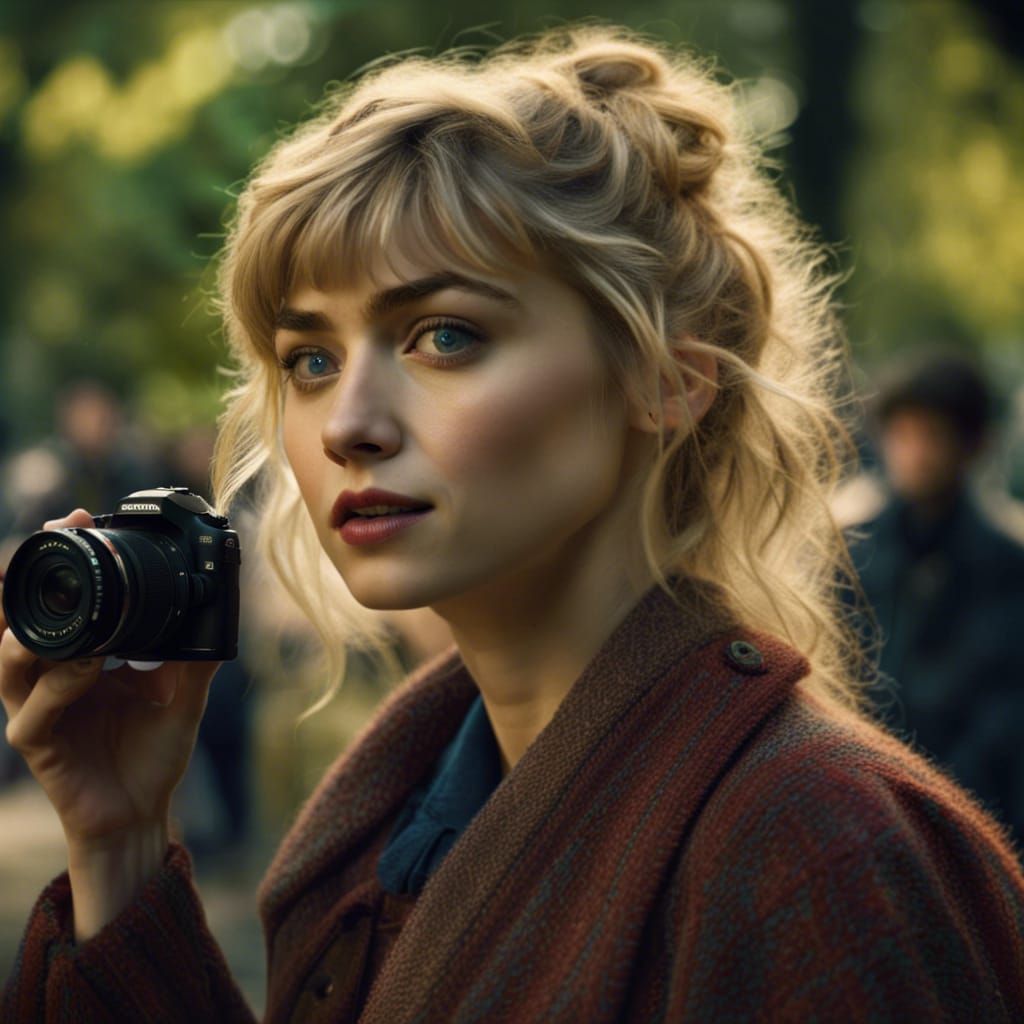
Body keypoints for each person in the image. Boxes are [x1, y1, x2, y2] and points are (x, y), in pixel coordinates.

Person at [2, 23, 1024, 1022]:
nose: (347, 423)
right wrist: (123, 848)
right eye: (310, 359)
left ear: (667, 380)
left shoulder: (821, 853)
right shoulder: (371, 838)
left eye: (444, 335)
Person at [847, 349, 1024, 840]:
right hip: (860, 806)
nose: (915, 453)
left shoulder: (1008, 566)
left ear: (972, 444)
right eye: (902, 435)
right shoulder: (852, 552)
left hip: (973, 819)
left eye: (932, 436)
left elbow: (1006, 718)